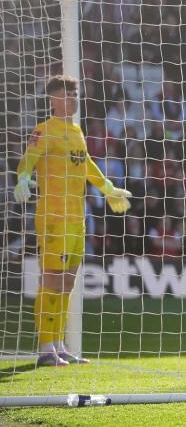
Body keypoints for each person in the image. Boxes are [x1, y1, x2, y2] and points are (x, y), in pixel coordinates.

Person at [13, 75, 132, 367]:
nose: (73, 99)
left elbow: (86, 163)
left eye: (75, 94)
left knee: (67, 282)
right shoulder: (44, 130)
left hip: (77, 217)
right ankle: (45, 347)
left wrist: (107, 188)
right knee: (52, 279)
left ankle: (59, 344)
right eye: (67, 94)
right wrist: (23, 178)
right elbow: (28, 159)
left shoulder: (77, 131)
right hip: (53, 217)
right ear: (53, 99)